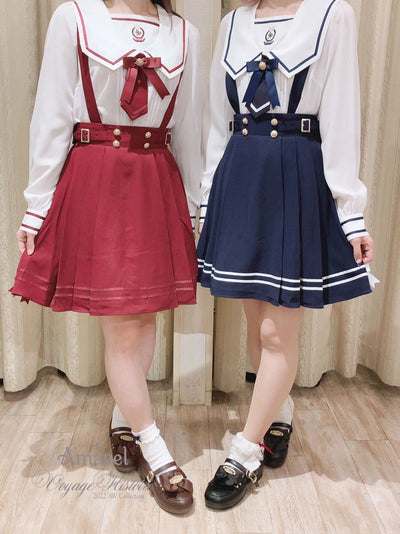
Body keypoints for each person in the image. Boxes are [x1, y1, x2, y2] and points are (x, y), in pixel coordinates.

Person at [9, 0, 202, 515]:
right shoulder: (75, 17)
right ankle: (156, 451)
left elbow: (190, 128)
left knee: (144, 315)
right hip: (97, 178)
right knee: (121, 326)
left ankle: (123, 421)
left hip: (157, 178)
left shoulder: (184, 33)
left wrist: (196, 207)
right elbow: (51, 116)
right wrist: (36, 208)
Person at [197, 0, 378, 510]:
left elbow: (342, 117)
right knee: (257, 322)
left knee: (278, 330)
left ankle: (244, 451)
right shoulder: (233, 23)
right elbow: (217, 120)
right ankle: (279, 414)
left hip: (295, 176)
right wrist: (208, 199)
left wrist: (351, 213)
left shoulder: (332, 15)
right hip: (240, 175)